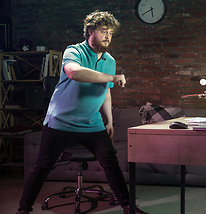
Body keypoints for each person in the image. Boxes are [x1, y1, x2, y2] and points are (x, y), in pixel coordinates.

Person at [16, 11, 148, 214]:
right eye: (104, 31)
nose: (108, 36)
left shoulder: (109, 60)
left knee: (111, 163)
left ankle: (129, 207)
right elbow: (74, 72)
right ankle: (23, 209)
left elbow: (105, 93)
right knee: (42, 166)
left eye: (110, 33)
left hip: (91, 124)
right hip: (61, 122)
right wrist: (112, 77)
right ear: (90, 31)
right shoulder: (74, 51)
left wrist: (109, 121)